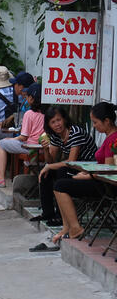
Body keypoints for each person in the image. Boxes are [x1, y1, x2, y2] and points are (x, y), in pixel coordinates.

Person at [51, 102, 117, 244]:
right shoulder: (109, 137)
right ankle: (67, 227)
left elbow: (109, 170)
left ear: (107, 121)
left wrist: (87, 176)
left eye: (95, 122)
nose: (93, 126)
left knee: (60, 186)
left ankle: (75, 228)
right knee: (61, 177)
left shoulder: (113, 139)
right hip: (98, 180)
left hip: (105, 186)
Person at [32, 106, 97, 226]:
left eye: (58, 120)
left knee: (61, 172)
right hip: (76, 168)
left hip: (88, 169)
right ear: (49, 125)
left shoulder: (75, 132)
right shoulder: (56, 136)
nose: (57, 124)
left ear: (65, 120)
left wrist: (49, 166)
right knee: (46, 173)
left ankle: (61, 216)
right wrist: (46, 149)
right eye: (53, 122)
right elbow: (50, 161)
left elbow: (72, 161)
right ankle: (48, 213)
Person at [0, 83, 45, 188]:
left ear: (31, 99)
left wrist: (12, 138)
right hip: (44, 148)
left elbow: (24, 137)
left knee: (2, 143)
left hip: (30, 148)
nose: (26, 98)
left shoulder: (29, 113)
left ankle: (1, 179)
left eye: (27, 96)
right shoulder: (47, 113)